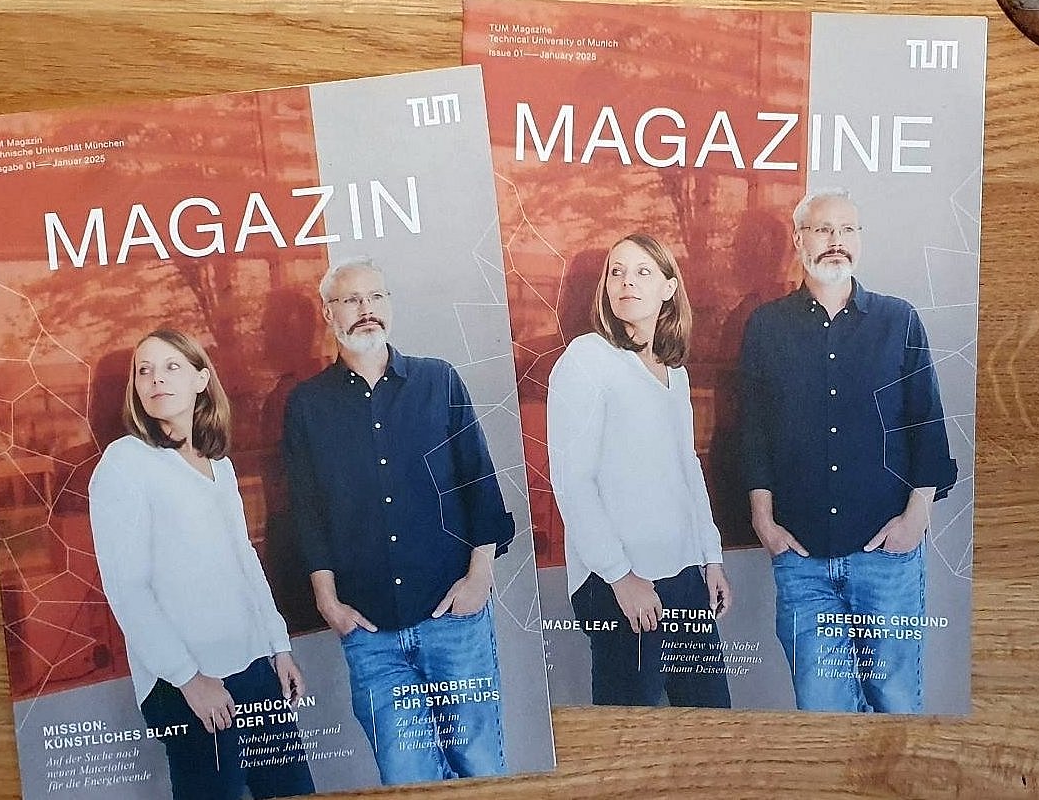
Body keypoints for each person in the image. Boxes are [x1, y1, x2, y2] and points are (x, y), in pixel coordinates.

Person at [282, 256, 515, 784]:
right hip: (371, 632)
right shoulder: (307, 406)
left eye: (377, 298)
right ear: (329, 314)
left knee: (481, 769)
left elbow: (479, 482)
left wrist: (479, 579)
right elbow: (307, 514)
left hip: (453, 621)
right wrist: (328, 602)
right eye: (352, 300)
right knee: (407, 777)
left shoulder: (439, 381)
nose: (367, 310)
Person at [738, 188, 959, 714]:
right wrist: (764, 523)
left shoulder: (897, 320)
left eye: (847, 231)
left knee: (897, 703)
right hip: (802, 560)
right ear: (799, 241)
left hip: (886, 557)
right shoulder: (767, 327)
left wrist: (916, 520)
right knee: (821, 712)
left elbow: (925, 421)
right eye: (822, 230)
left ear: (859, 241)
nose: (835, 242)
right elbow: (752, 431)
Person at [88, 329, 315, 800]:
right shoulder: (124, 463)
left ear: (200, 379)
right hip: (185, 682)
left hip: (254, 667)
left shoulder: (220, 464)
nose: (155, 379)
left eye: (171, 367)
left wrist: (278, 646)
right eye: (144, 371)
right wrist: (192, 682)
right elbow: (128, 590)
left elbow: (244, 559)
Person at [546, 233, 733, 708]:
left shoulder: (676, 371)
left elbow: (686, 468)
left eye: (642, 271)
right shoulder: (587, 359)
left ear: (669, 288)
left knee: (708, 726)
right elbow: (573, 481)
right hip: (618, 583)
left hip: (684, 574)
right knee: (633, 740)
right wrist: (620, 577)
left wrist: (709, 560)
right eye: (616, 271)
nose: (627, 282)